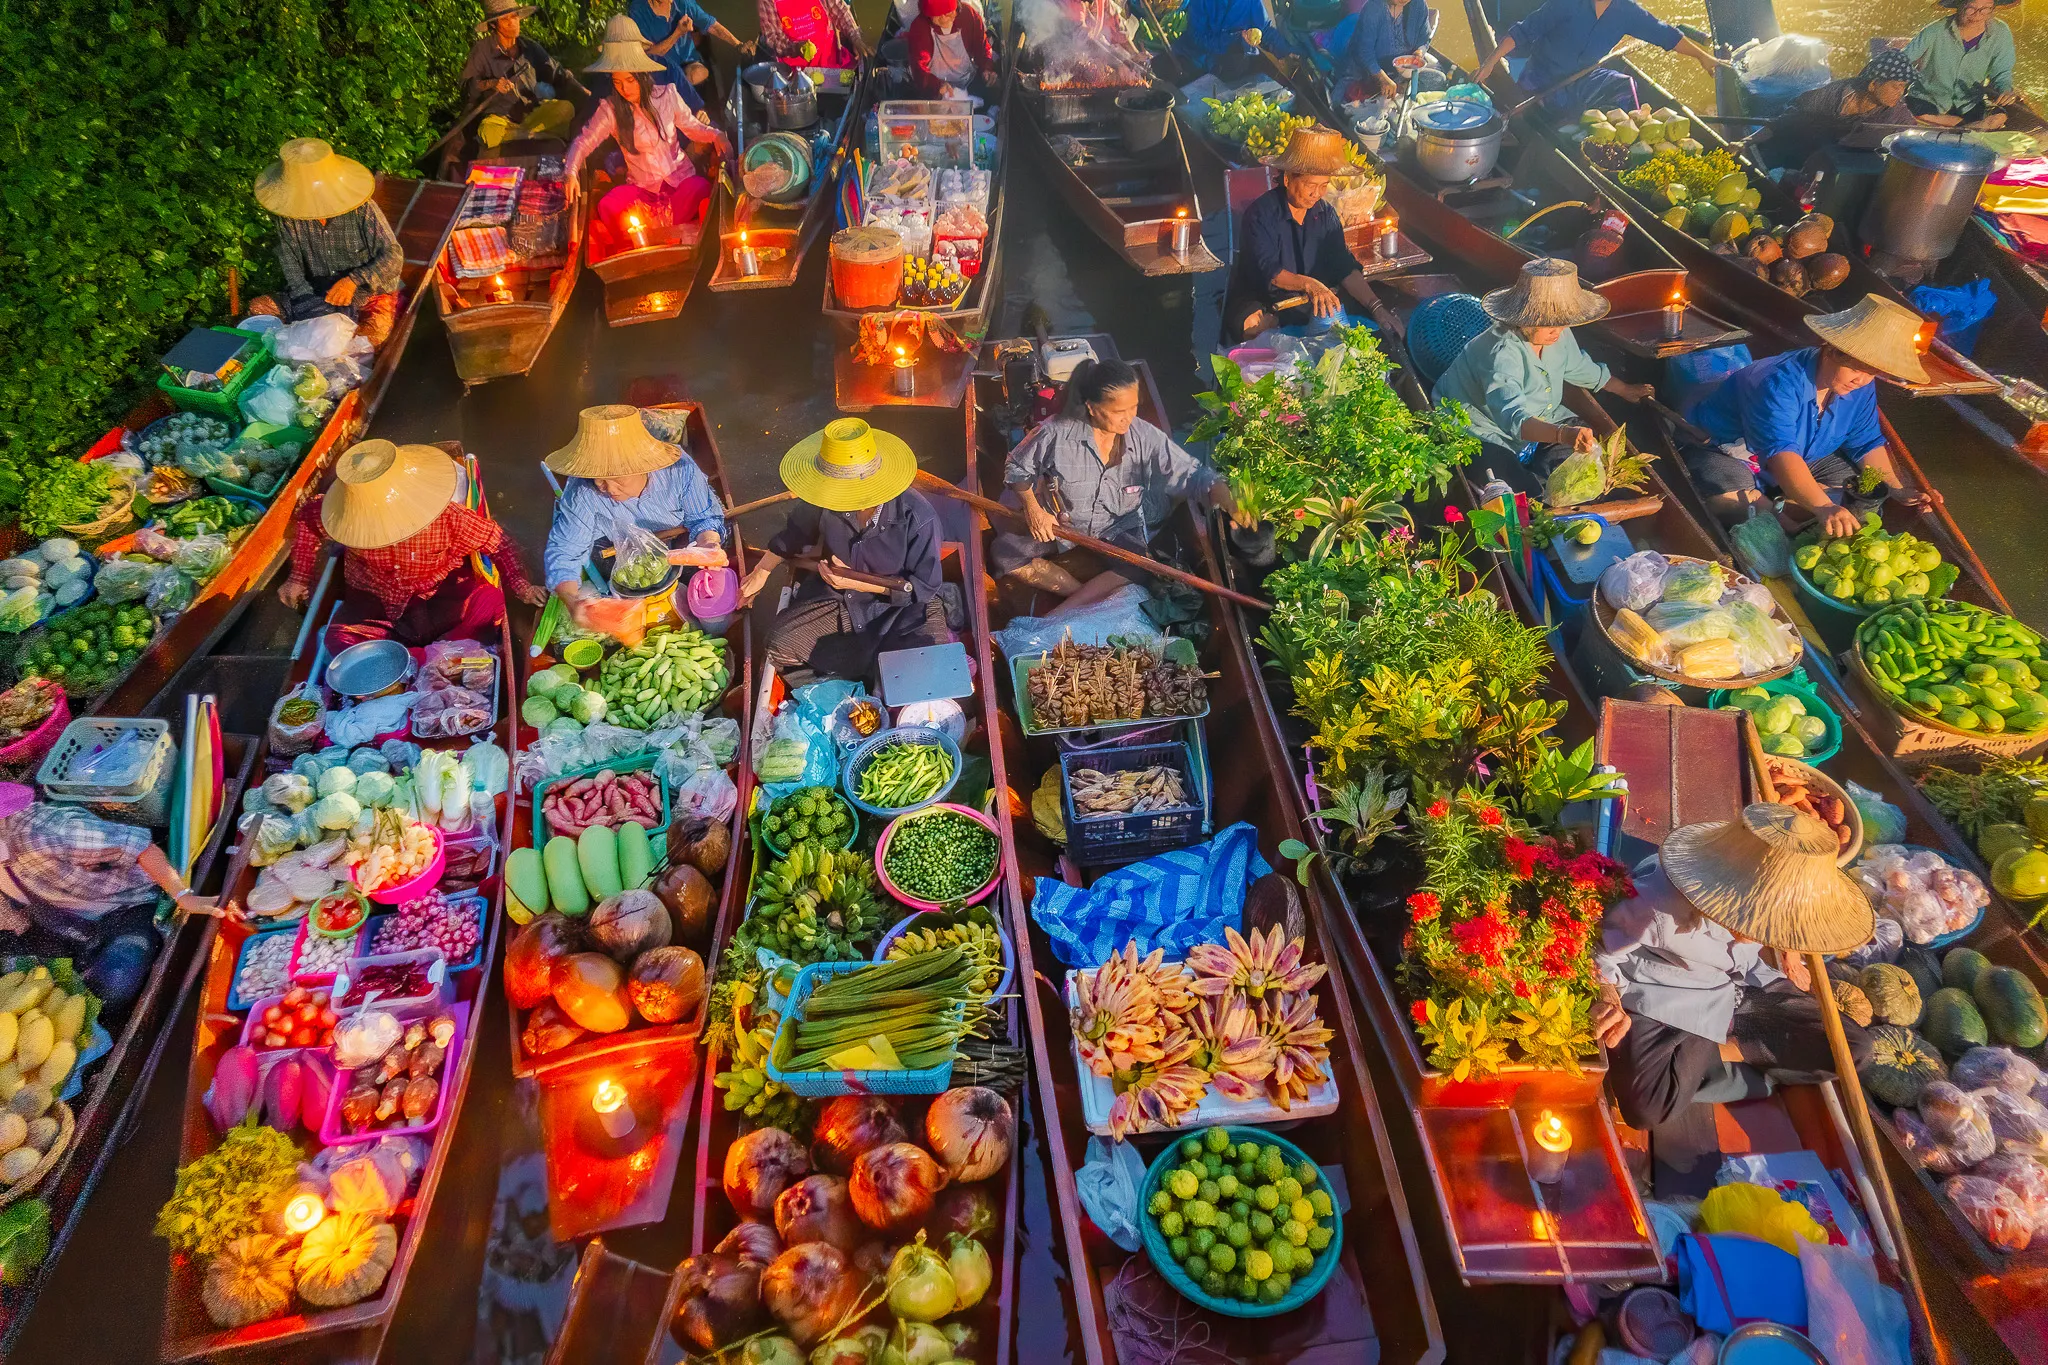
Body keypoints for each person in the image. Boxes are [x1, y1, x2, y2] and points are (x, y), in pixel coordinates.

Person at [1593, 804, 1875, 1131]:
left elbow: (1793, 924)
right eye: (1752, 921)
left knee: (1853, 1049)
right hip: (1669, 1002)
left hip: (1743, 986)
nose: (1753, 935)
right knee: (1647, 1108)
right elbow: (1599, 950)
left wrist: (1789, 956)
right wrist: (1609, 1000)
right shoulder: (1655, 903)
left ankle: (1727, 1054)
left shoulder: (1782, 905)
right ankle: (1735, 1060)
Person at [994, 358, 1245, 605]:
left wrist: (1221, 492)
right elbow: (1016, 467)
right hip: (1062, 522)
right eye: (1118, 411)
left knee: (1140, 568)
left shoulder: (1143, 436)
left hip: (1119, 523)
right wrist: (1034, 509)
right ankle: (1081, 597)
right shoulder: (1055, 432)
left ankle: (1078, 606)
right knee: (1005, 553)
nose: (1128, 419)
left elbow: (1193, 474)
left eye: (1132, 408)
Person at [1680, 295, 1934, 536]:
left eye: (1873, 373)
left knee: (1861, 489)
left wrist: (1896, 489)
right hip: (1729, 451)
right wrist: (1823, 507)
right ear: (1832, 350)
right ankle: (1780, 511)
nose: (1862, 380)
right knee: (1727, 500)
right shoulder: (1778, 382)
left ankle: (1787, 504)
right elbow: (1781, 453)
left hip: (1807, 454)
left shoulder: (1862, 385)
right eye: (1856, 368)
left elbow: (1865, 441)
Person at [281, 440, 543, 650]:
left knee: (489, 601)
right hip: (376, 602)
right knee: (338, 641)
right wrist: (298, 578)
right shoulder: (341, 514)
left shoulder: (449, 519)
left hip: (438, 597)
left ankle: (437, 651)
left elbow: (499, 543)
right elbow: (307, 519)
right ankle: (424, 655)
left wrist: (522, 586)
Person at [742, 419, 949, 676]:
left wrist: (857, 583)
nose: (836, 499)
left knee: (928, 668)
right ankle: (848, 684)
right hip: (839, 601)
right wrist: (761, 572)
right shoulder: (824, 499)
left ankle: (875, 676)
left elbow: (923, 588)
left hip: (899, 609)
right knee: (779, 645)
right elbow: (793, 534)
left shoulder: (918, 517)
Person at [1431, 258, 1655, 493]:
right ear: (1524, 319)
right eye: (1549, 324)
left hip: (1544, 416)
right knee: (1518, 493)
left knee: (1584, 462)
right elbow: (1514, 418)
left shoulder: (1557, 333)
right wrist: (1562, 434)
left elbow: (1579, 367)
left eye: (1562, 323)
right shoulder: (1501, 352)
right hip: (1482, 427)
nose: (1557, 331)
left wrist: (1623, 389)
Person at [543, 405, 730, 624]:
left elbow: (704, 519)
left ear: (644, 466)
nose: (608, 488)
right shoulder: (581, 490)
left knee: (706, 569)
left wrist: (708, 545)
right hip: (614, 544)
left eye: (618, 478)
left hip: (677, 534)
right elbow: (566, 551)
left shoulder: (679, 470)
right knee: (620, 584)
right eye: (599, 478)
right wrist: (572, 601)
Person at [565, 17, 731, 256]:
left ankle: (658, 236)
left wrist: (717, 136)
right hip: (642, 193)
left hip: (679, 183)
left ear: (642, 75)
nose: (624, 89)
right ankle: (659, 236)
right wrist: (571, 170)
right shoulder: (610, 109)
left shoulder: (667, 95)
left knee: (700, 187)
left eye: (630, 80)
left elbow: (693, 127)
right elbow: (584, 140)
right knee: (608, 205)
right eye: (618, 82)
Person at [246, 139, 405, 349]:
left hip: (368, 293)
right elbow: (291, 267)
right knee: (258, 307)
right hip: (317, 291)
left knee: (369, 342)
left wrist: (353, 280)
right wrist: (312, 308)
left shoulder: (362, 209)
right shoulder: (288, 216)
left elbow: (393, 256)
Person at [1222, 126, 1375, 343]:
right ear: (1287, 180)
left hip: (1312, 300)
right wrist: (1310, 284)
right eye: (1310, 185)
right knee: (1253, 326)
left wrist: (1377, 307)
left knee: (1363, 322)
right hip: (1265, 298)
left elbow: (1343, 265)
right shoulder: (1260, 214)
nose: (1317, 194)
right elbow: (1271, 271)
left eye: (1323, 186)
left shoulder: (1326, 214)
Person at [0, 802, 217, 951]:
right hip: (78, 917)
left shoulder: (49, 835)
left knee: (114, 984)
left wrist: (182, 895)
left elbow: (140, 849)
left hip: (131, 904)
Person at [1471, 0, 1719, 115]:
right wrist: (1490, 62)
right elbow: (1523, 31)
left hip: (1584, 77)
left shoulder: (1627, 11)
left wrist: (1702, 57)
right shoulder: (1566, 4)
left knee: (1624, 85)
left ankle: (1613, 145)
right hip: (1543, 78)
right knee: (1538, 114)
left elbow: (1666, 34)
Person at [459, 0, 585, 148]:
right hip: (501, 119)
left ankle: (524, 134)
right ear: (493, 24)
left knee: (566, 109)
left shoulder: (529, 47)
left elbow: (558, 72)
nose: (513, 22)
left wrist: (584, 92)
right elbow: (465, 88)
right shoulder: (482, 50)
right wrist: (492, 83)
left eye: (514, 16)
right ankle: (532, 136)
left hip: (532, 114)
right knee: (486, 132)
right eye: (505, 19)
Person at [1762, 49, 1918, 167]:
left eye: (1904, 87)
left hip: (1843, 170)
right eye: (1896, 86)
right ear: (1873, 85)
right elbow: (1785, 120)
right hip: (1802, 155)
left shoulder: (1897, 116)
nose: (1901, 93)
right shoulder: (1832, 94)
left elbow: (1914, 141)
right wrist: (1748, 141)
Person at [1904, 0, 2018, 128]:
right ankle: (1967, 127)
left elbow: (2002, 73)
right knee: (1918, 114)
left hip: (1969, 103)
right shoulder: (1935, 30)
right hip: (1927, 99)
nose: (1977, 15)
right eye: (1971, 8)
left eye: (1986, 9)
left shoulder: (2001, 32)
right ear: (1959, 6)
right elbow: (1903, 60)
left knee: (2000, 117)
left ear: (1993, 8)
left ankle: (1960, 125)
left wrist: (2005, 91)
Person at [630, 0, 753, 111]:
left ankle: (699, 112)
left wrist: (738, 44)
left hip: (687, 65)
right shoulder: (638, 10)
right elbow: (647, 55)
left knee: (699, 73)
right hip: (658, 69)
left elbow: (712, 26)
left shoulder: (683, 3)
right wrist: (677, 33)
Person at [1341, 0, 1432, 101]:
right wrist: (1382, 79)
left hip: (1403, 69)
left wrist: (1419, 52)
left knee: (1438, 79)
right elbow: (1364, 51)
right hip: (1372, 71)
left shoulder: (1418, 4)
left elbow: (1424, 38)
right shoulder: (1374, 8)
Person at [907, 0, 997, 100]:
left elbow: (982, 47)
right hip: (937, 89)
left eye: (948, 13)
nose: (944, 18)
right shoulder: (919, 27)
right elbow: (918, 67)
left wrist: (987, 68)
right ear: (928, 15)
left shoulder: (968, 15)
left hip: (968, 80)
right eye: (937, 15)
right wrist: (936, 86)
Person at [757, 0, 870, 68]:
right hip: (794, 71)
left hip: (829, 59)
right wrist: (795, 48)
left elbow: (840, 11)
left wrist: (855, 38)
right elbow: (773, 37)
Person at [1178, 0, 1268, 74]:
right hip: (1199, 60)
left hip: (1232, 54)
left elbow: (1265, 26)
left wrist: (1281, 54)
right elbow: (1197, 37)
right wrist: (1233, 38)